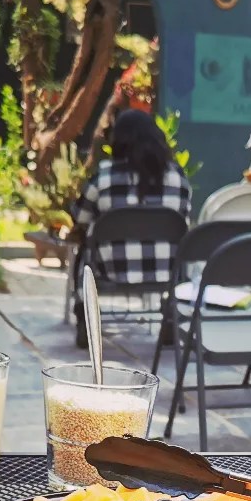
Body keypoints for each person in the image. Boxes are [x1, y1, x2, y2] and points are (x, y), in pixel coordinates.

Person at [71, 109, 192, 346]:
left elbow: (81, 218)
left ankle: (85, 314)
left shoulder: (103, 178)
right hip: (166, 271)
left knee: (85, 245)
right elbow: (183, 222)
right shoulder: (179, 178)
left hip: (111, 270)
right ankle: (170, 314)